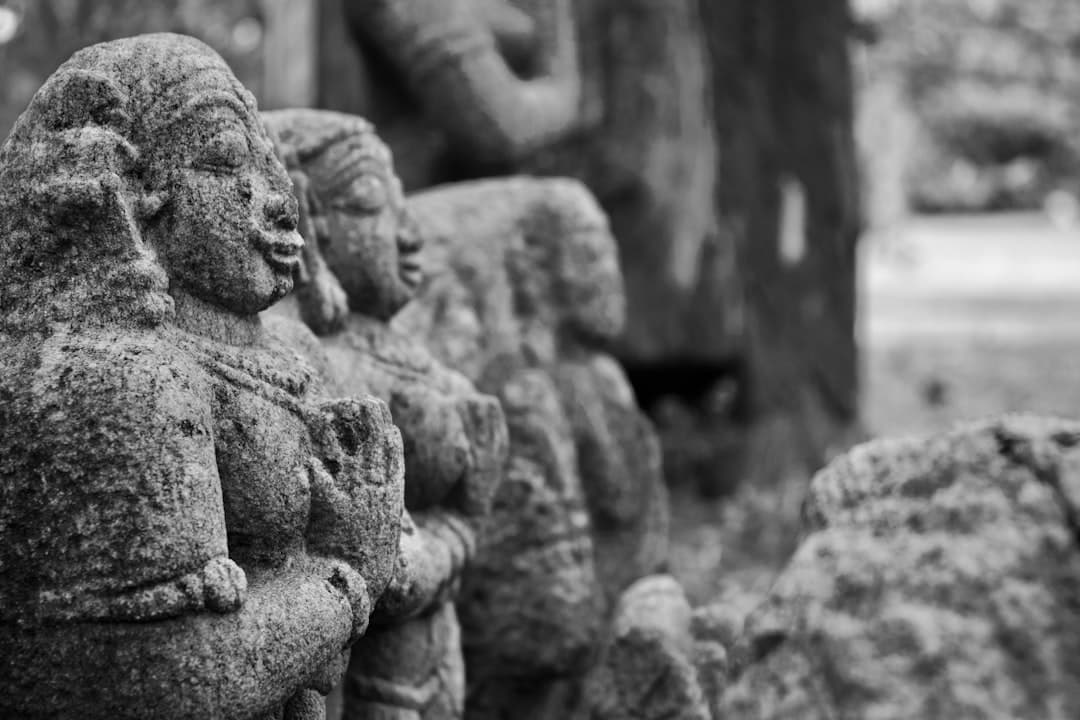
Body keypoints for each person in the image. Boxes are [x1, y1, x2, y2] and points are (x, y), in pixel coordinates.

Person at [0, 34, 404, 720]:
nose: (277, 200)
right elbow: (165, 677)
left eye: (269, 165)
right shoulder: (113, 380)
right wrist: (347, 578)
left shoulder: (279, 357)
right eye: (224, 161)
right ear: (127, 193)